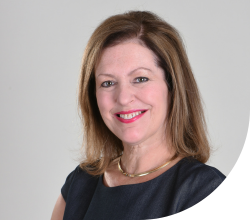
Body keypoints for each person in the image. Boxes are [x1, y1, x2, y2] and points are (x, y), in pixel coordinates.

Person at [51, 11, 225, 220]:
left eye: (140, 78)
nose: (123, 98)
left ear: (172, 87)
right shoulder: (79, 185)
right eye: (108, 83)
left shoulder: (205, 192)